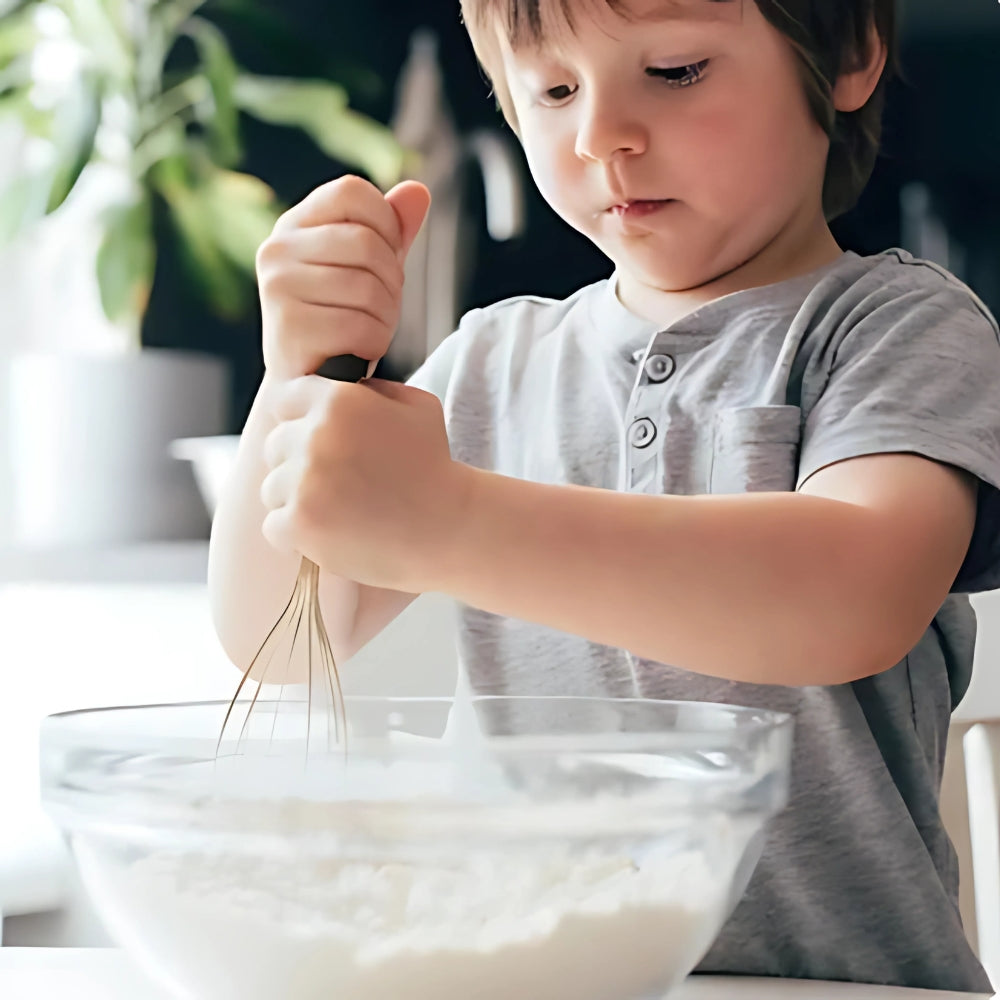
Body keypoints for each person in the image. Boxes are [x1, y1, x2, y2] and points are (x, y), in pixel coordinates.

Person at [208, 0, 1000, 990]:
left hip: (835, 982)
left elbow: (854, 596)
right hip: (527, 972)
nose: (599, 136)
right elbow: (273, 636)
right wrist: (292, 379)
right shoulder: (488, 359)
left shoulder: (895, 327)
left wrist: (449, 521)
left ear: (842, 57)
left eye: (674, 72)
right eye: (553, 89)